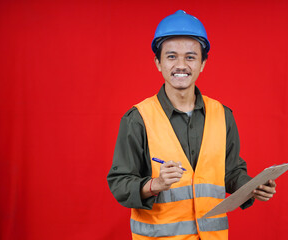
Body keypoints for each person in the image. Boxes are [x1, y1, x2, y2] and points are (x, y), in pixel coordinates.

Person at [107, 10, 276, 240]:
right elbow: (119, 183)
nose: (181, 65)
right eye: (171, 56)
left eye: (190, 57)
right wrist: (155, 184)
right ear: (158, 63)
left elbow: (231, 171)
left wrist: (251, 187)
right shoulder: (138, 118)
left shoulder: (222, 114)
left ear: (202, 63)